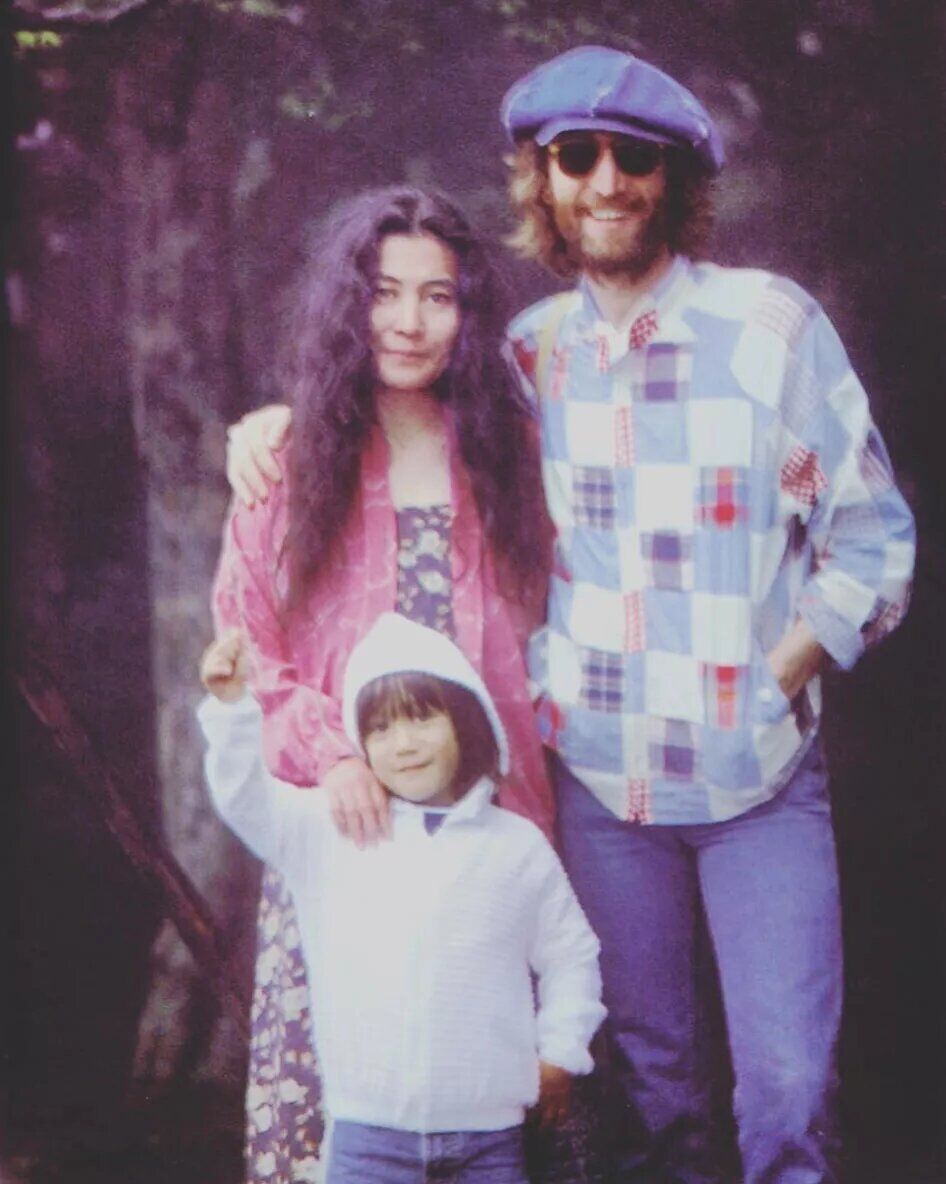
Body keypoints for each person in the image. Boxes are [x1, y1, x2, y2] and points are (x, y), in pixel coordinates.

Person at [224, 46, 916, 1184]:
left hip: (758, 784)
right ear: (539, 182)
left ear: (675, 179)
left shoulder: (769, 329)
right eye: (575, 157)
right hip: (601, 787)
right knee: (651, 1085)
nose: (606, 180)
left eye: (633, 157)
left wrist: (778, 670)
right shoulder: (522, 359)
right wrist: (266, 425)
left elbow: (873, 539)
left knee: (788, 1087)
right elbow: (384, 397)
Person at [211, 187, 555, 1182]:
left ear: (469, 313)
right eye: (383, 292)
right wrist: (330, 753)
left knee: (483, 1115)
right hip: (345, 838)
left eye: (438, 296)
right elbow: (247, 649)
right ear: (344, 305)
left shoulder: (506, 453)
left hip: (487, 842)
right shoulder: (286, 461)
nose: (408, 321)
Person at [198, 613, 606, 1184]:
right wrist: (233, 710)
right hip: (370, 1141)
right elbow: (246, 798)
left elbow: (571, 956)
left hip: (489, 1140)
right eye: (382, 729)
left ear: (466, 720)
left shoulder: (516, 847)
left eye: (422, 719)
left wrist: (562, 1051)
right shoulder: (329, 830)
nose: (404, 744)